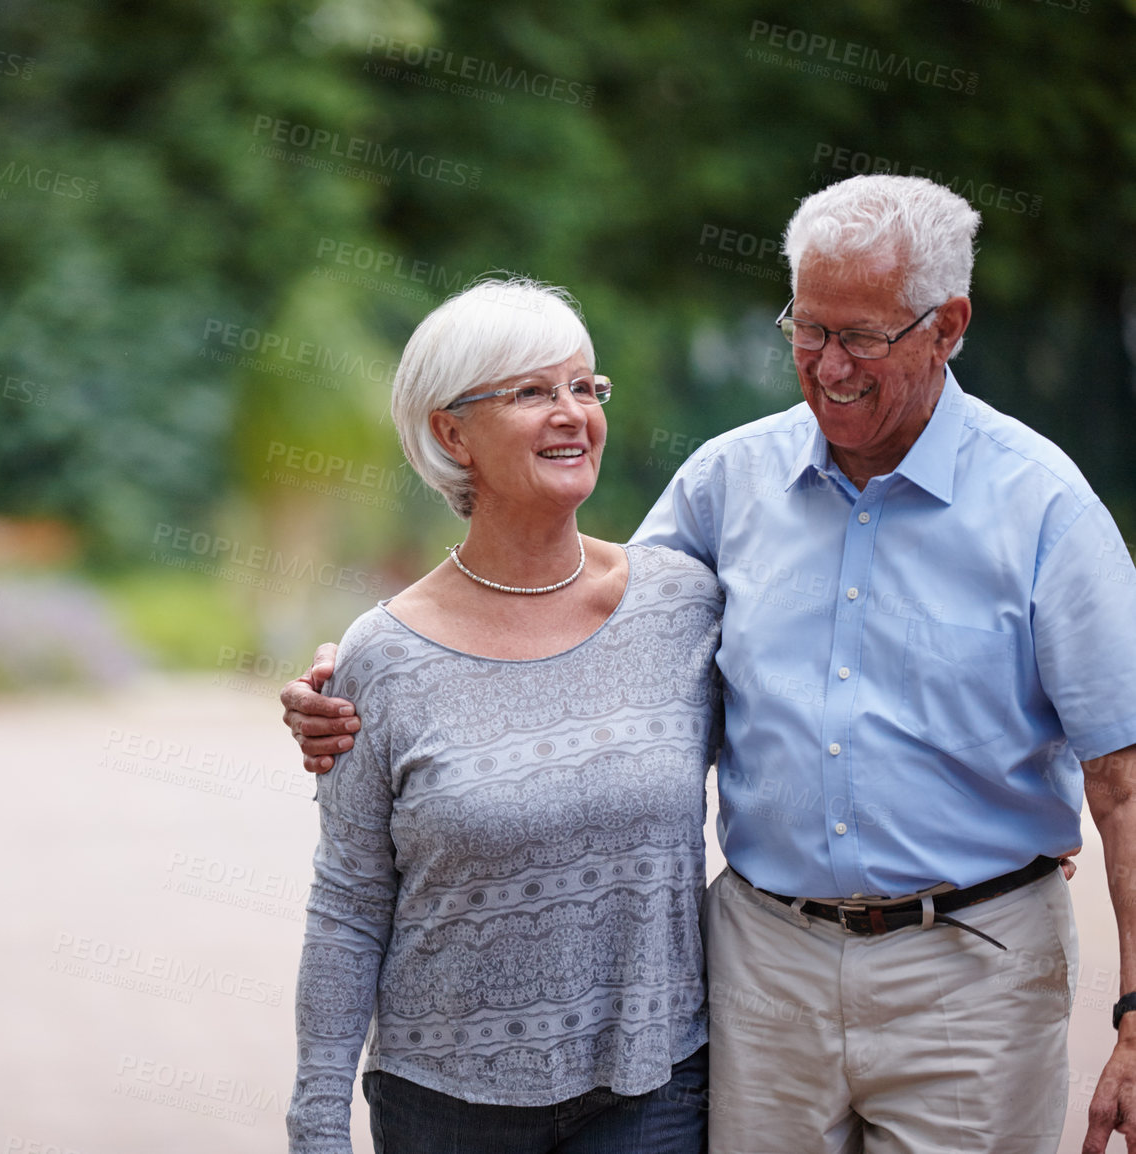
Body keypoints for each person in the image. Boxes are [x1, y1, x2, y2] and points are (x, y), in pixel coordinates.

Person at [281, 174, 1136, 1154]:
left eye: (860, 336)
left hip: (968, 967)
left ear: (947, 326)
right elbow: (582, 635)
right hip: (760, 972)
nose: (827, 365)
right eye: (805, 329)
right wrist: (353, 678)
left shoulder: (1042, 506)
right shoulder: (723, 485)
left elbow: (1122, 778)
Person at [286, 277, 720, 1154]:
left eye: (583, 387)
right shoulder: (383, 655)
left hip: (652, 1093)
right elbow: (350, 902)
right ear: (452, 432)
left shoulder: (682, 606)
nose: (571, 414)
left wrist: (984, 816)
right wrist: (316, 1122)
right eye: (531, 392)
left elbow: (815, 723)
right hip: (443, 1105)